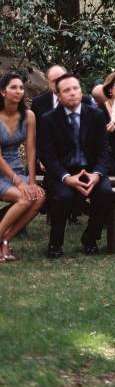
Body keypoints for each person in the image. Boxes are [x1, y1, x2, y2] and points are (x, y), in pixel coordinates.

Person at [38, 74, 114, 257]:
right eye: (66, 90)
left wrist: (96, 175)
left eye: (75, 88)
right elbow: (49, 157)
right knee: (63, 196)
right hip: (62, 173)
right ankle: (55, 243)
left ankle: (90, 237)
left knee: (106, 194)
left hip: (90, 170)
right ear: (58, 95)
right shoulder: (48, 119)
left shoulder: (96, 115)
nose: (72, 93)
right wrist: (67, 178)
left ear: (81, 91)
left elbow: (104, 151)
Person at [0, 73, 46, 260]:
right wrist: (19, 182)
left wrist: (32, 181)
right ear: (3, 92)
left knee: (39, 196)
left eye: (21, 87)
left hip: (16, 170)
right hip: (3, 172)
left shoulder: (28, 116)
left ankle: (5, 240)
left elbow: (31, 150)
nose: (19, 91)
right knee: (25, 198)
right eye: (13, 87)